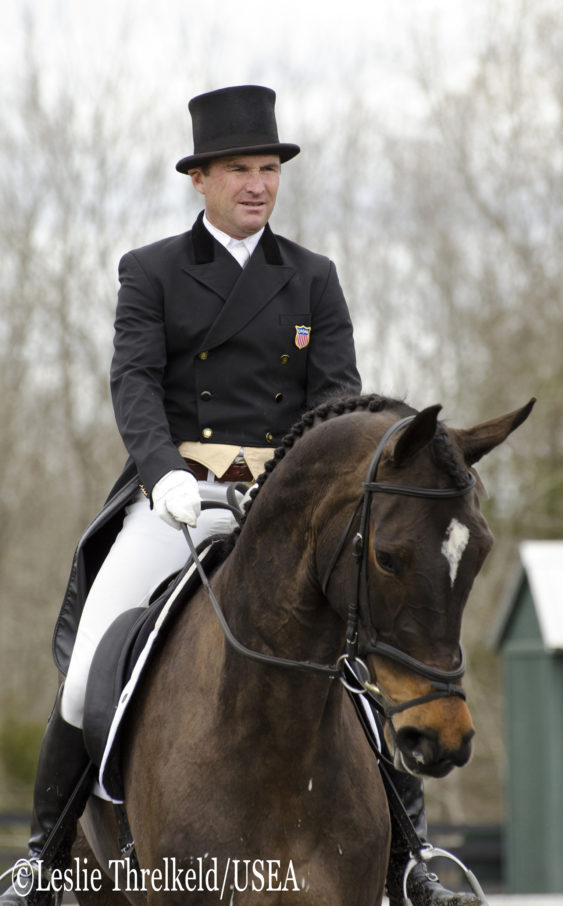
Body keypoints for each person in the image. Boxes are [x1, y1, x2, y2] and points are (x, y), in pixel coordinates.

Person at [0, 85, 477, 906]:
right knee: (84, 680)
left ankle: (414, 861)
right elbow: (135, 385)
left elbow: (341, 401)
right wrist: (164, 474)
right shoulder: (151, 271)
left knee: (363, 666)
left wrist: (305, 489)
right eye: (238, 171)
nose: (257, 184)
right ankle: (43, 860)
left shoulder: (314, 280)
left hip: (286, 510)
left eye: (267, 169)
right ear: (200, 180)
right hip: (177, 497)